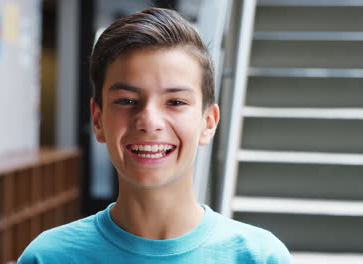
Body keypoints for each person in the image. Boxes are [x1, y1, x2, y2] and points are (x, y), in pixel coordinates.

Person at [18, 7, 293, 264]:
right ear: (98, 120)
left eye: (175, 102)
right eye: (127, 101)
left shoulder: (259, 257)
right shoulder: (49, 257)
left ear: (208, 122)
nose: (149, 122)